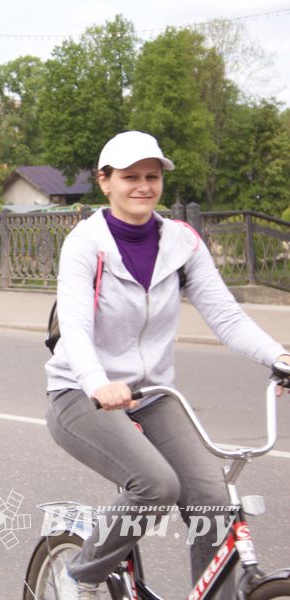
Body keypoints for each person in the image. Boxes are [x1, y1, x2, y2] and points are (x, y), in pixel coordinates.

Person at [44, 130, 290, 599]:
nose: (143, 186)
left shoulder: (182, 243)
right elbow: (74, 327)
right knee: (156, 485)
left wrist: (278, 355)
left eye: (152, 177)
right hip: (80, 393)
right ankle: (81, 576)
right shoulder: (85, 244)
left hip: (153, 394)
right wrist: (97, 382)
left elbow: (226, 317)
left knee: (214, 501)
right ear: (105, 182)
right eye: (130, 176)